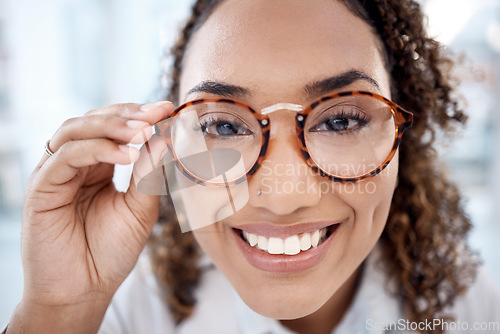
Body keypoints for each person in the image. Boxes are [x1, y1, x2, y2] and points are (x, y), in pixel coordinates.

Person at [4, 0, 500, 333]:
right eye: (222, 126)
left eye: (342, 120)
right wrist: (58, 312)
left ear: (400, 131)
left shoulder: (462, 307)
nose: (285, 198)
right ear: (171, 147)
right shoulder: (131, 309)